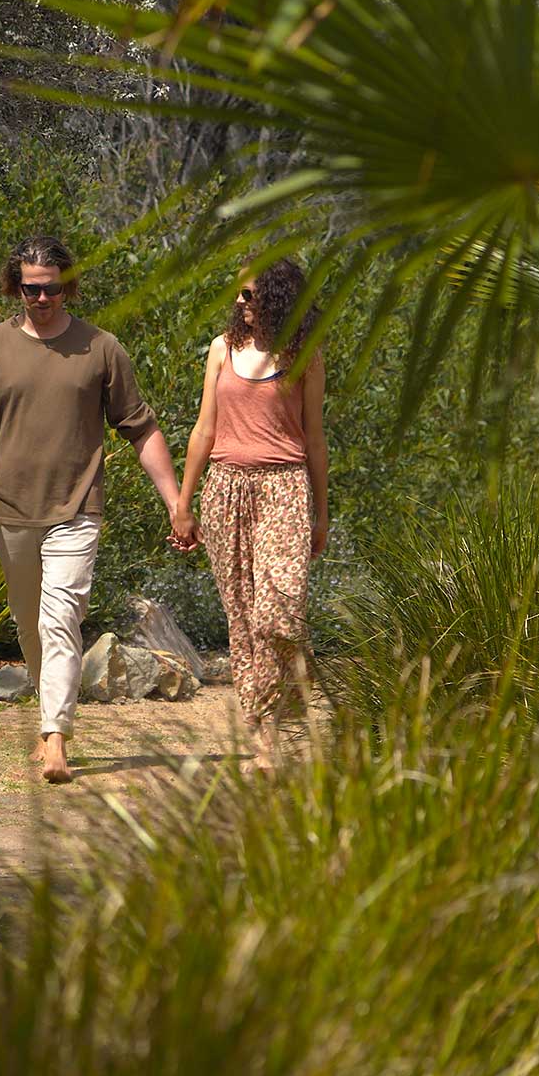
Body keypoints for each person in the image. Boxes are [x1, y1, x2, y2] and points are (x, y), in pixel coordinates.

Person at [0, 236, 193, 784]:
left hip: (77, 509)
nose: (42, 298)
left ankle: (55, 736)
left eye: (52, 288)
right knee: (31, 624)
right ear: (16, 287)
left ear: (69, 285)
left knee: (61, 617)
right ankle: (48, 718)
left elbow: (141, 428)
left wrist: (176, 502)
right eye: (31, 288)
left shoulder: (101, 348)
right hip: (9, 512)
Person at [171, 258, 329, 769]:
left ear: (278, 298)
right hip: (226, 490)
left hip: (285, 488)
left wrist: (321, 514)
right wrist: (183, 503)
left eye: (250, 295)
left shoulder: (305, 355)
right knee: (242, 617)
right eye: (239, 295)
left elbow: (315, 438)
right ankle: (263, 730)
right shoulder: (222, 349)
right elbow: (204, 430)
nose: (239, 303)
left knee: (277, 612)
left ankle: (275, 721)